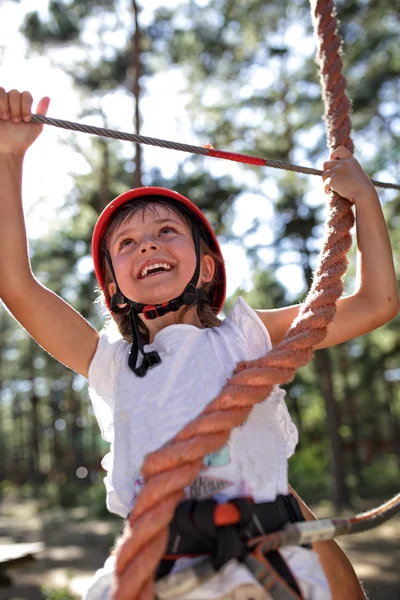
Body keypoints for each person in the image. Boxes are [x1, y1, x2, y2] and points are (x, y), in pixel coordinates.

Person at [0, 89, 398, 600]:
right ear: (115, 287)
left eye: (167, 231)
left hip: (267, 544)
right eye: (127, 243)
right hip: (160, 560)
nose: (148, 244)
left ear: (205, 267)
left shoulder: (246, 336)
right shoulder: (111, 363)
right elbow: (14, 282)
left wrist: (365, 199)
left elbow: (376, 304)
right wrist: (9, 158)